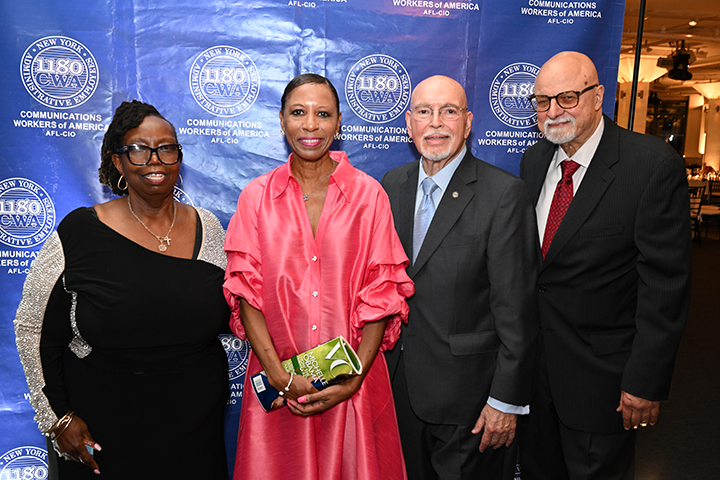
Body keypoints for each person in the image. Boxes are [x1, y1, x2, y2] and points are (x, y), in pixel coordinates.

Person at [14, 100, 230, 479]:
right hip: (102, 431)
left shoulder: (209, 227)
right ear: (118, 161)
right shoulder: (80, 232)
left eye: (166, 148)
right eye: (139, 149)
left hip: (196, 431)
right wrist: (57, 417)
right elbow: (32, 326)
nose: (155, 160)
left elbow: (240, 310)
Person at [223, 73, 414, 480]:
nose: (310, 125)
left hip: (352, 385)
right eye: (298, 112)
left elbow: (382, 293)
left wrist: (354, 378)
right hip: (280, 386)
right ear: (281, 120)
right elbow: (245, 292)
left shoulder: (369, 196)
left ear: (339, 122)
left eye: (323, 114)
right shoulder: (256, 198)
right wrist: (278, 375)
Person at [518, 51, 692, 480]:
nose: (553, 111)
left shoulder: (650, 165)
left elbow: (665, 286)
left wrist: (644, 382)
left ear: (598, 97)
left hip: (603, 384)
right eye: (543, 101)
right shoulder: (534, 161)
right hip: (534, 379)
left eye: (567, 98)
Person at [381, 75, 539, 480]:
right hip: (399, 392)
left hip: (471, 401)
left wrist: (505, 401)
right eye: (424, 112)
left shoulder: (503, 194)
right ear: (409, 124)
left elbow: (517, 310)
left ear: (467, 123)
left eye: (448, 111)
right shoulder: (392, 185)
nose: (435, 123)